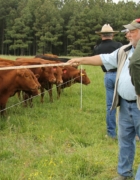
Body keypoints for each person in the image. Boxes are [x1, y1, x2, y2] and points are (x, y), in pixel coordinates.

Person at [67, 18, 140, 180]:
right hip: (125, 105)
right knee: (125, 140)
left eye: (132, 31)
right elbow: (102, 59)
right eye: (127, 31)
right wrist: (80, 60)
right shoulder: (124, 50)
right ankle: (124, 173)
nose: (127, 34)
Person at [93, 24, 123, 139]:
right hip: (121, 75)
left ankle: (111, 134)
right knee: (127, 103)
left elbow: (96, 60)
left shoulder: (97, 48)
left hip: (109, 75)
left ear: (101, 36)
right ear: (112, 35)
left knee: (110, 105)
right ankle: (131, 132)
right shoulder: (119, 46)